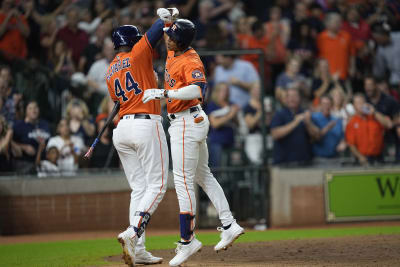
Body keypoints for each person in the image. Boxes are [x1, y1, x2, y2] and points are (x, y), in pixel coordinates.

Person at [142, 18, 244, 267]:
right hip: (187, 121)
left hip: (187, 121)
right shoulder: (174, 45)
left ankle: (187, 241)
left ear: (182, 41)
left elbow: (197, 90)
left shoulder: (190, 59)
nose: (168, 39)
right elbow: (163, 29)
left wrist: (165, 93)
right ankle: (229, 224)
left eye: (173, 36)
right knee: (203, 176)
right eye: (169, 35)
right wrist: (166, 17)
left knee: (183, 180)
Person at [108, 8, 174, 266]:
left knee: (139, 189)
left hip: (122, 128)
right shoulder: (137, 52)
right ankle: (132, 232)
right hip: (145, 123)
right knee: (157, 186)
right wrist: (167, 16)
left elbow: (117, 101)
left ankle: (139, 249)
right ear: (131, 41)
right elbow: (156, 31)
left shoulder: (109, 70)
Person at [270, 88, 319, 166]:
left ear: (300, 99)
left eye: (295, 96)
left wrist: (308, 123)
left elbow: (317, 136)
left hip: (305, 162)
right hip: (284, 163)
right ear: (285, 99)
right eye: (290, 96)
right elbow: (275, 134)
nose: (292, 99)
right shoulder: (279, 114)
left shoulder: (305, 113)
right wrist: (295, 122)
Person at [346, 93, 391, 165]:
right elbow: (351, 144)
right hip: (363, 158)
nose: (361, 105)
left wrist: (374, 112)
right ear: (354, 106)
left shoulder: (374, 117)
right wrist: (360, 157)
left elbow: (388, 124)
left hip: (379, 157)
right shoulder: (351, 122)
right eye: (358, 103)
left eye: (362, 102)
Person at [12, 101, 51, 174]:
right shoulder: (19, 126)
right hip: (25, 163)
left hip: (44, 162)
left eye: (35, 107)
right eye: (30, 108)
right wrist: (24, 147)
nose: (33, 110)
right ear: (25, 111)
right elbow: (10, 141)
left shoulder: (45, 124)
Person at [317, 13, 355, 81]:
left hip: (343, 75)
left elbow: (352, 54)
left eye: (340, 22)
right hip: (326, 76)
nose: (339, 24)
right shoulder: (321, 38)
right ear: (328, 23)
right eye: (336, 22)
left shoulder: (346, 36)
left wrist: (352, 67)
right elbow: (318, 57)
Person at [311, 95, 346, 165]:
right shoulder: (314, 118)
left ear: (332, 106)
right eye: (324, 104)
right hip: (319, 158)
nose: (326, 106)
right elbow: (314, 138)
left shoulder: (337, 120)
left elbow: (342, 137)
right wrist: (327, 128)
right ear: (320, 105)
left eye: (328, 104)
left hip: (336, 158)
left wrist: (342, 143)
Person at [372, 23, 400, 89]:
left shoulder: (398, 37)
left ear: (385, 35)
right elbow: (379, 71)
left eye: (378, 38)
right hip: (396, 78)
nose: (377, 41)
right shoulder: (380, 50)